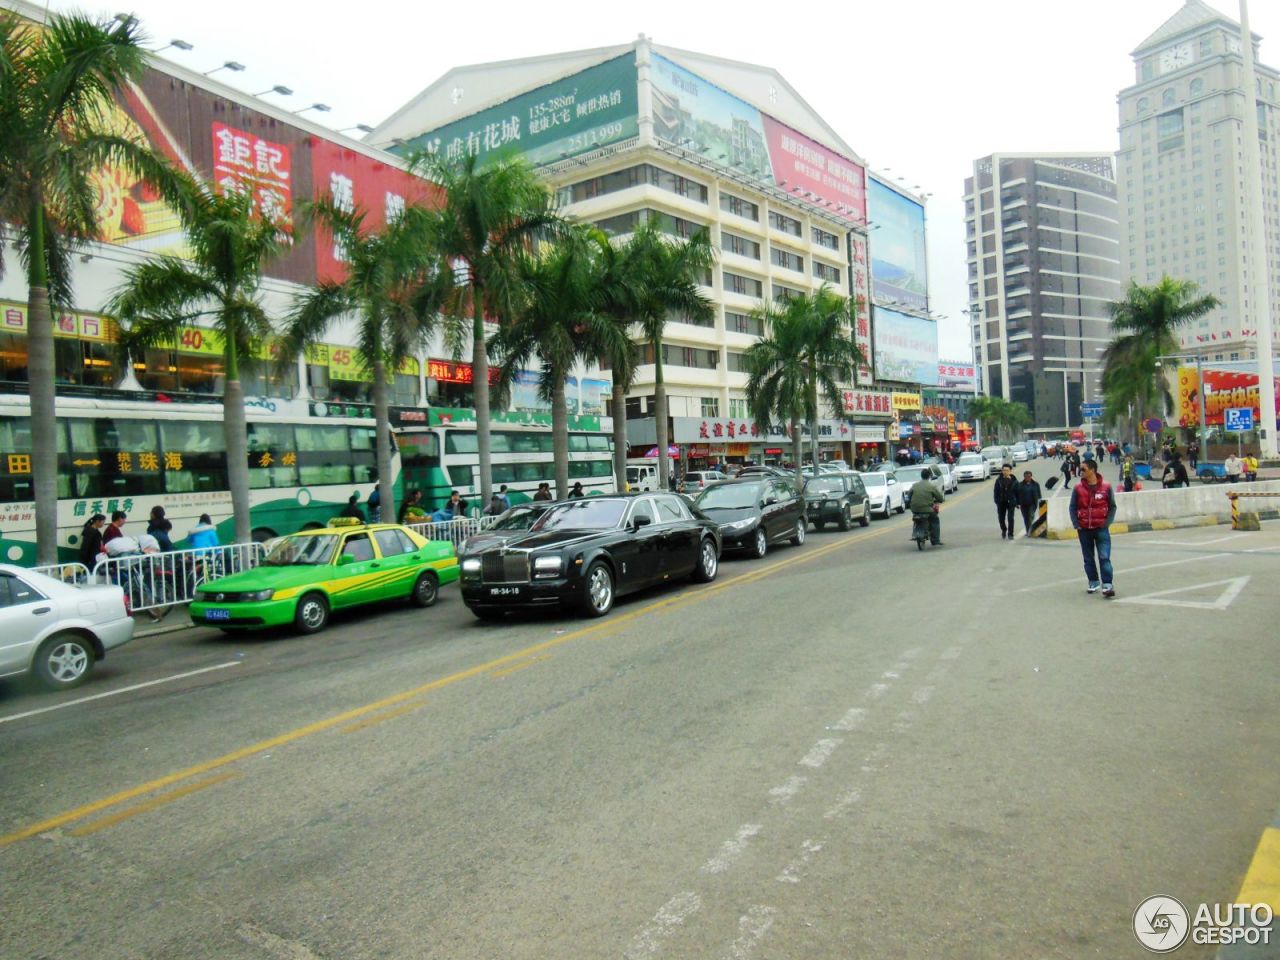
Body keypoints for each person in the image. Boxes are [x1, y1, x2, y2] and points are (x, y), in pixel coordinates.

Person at [1069, 458, 1117, 598]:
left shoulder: (1106, 487)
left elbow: (1112, 506)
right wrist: (1076, 523)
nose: (1080, 471)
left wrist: (1106, 523)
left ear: (1092, 470)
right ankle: (1093, 582)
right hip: (1084, 529)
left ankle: (1107, 584)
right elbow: (1072, 507)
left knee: (1104, 557)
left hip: (1101, 528)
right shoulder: (1078, 488)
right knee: (1088, 558)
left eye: (1083, 469)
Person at [908, 468, 944, 546]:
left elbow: (909, 495)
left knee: (916, 518)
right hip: (927, 510)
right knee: (935, 520)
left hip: (914, 509)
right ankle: (935, 540)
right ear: (929, 476)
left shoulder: (915, 485)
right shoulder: (931, 486)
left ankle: (917, 531)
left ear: (921, 476)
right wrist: (939, 501)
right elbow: (940, 498)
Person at [993, 464, 1020, 540]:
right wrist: (997, 501)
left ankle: (1010, 534)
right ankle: (1004, 530)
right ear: (1002, 471)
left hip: (1011, 502)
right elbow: (996, 492)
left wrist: (1018, 503)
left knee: (1010, 518)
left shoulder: (1015, 481)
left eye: (1007, 470)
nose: (1005, 472)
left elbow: (1017, 493)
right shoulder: (998, 481)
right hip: (1001, 502)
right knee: (1001, 519)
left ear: (1010, 471)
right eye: (1004, 470)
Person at [1016, 470, 1042, 537]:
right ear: (1024, 477)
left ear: (1031, 477)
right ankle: (1028, 531)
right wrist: (1017, 503)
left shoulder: (1036, 484)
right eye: (1026, 477)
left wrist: (1040, 502)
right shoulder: (1020, 485)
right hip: (1023, 505)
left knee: (1031, 517)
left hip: (1032, 504)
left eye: (1029, 476)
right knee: (1026, 518)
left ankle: (1031, 531)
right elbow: (1017, 495)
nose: (1028, 478)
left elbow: (1039, 494)